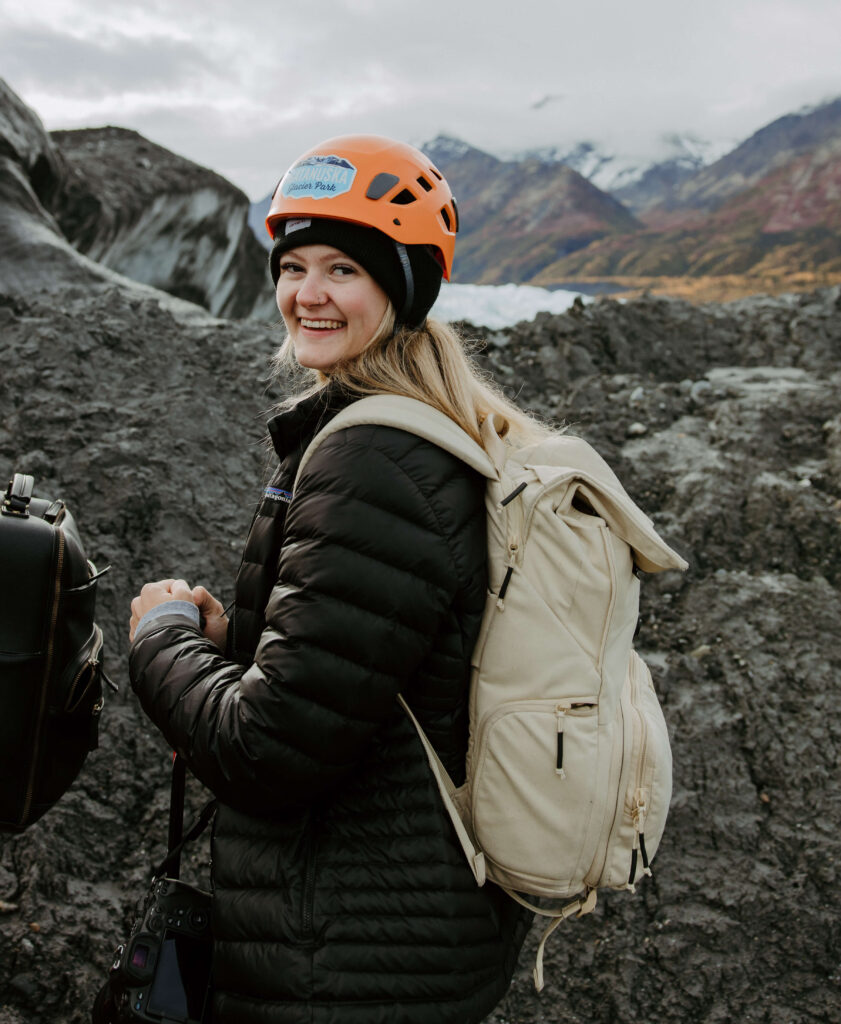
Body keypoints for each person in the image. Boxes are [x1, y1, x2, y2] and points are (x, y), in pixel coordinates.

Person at [127, 135, 540, 1024]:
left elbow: (268, 752)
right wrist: (232, 646)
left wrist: (159, 637)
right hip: (400, 937)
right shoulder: (433, 431)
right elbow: (368, 676)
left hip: (340, 963)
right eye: (293, 265)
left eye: (343, 268)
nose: (306, 295)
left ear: (402, 287)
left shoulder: (375, 460)